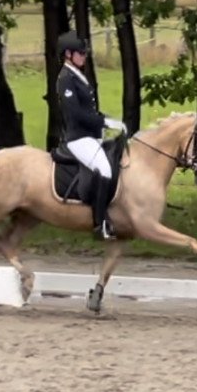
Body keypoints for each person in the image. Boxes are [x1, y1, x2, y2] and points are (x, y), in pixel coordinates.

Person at [56, 30, 127, 240]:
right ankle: (100, 223)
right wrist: (104, 122)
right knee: (104, 169)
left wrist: (108, 121)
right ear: (68, 54)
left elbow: (90, 111)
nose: (84, 56)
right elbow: (76, 114)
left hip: (90, 136)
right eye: (81, 53)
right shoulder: (65, 78)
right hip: (78, 138)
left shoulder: (78, 76)